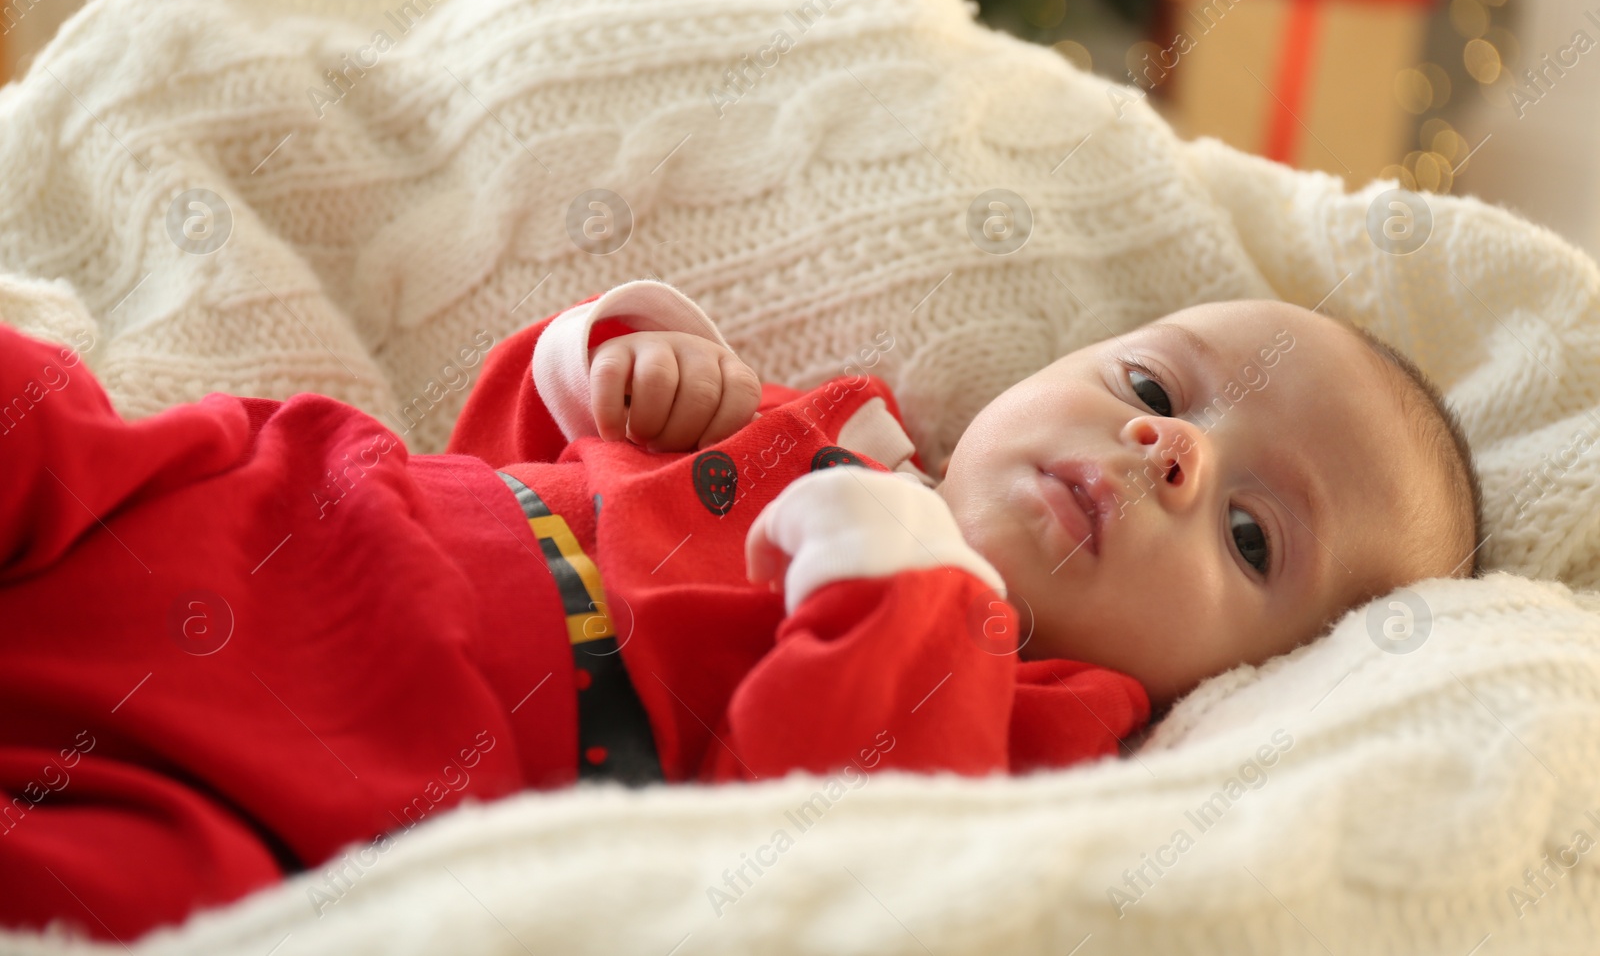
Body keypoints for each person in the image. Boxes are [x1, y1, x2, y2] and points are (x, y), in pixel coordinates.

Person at [0, 279, 1481, 941]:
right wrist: (607, 364)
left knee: (120, 898)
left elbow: (811, 857)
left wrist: (915, 598)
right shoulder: (822, 428)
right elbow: (503, 448)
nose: (1170, 449)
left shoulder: (1038, 722)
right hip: (283, 514)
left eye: (1247, 531)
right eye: (1153, 387)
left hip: (336, 773)